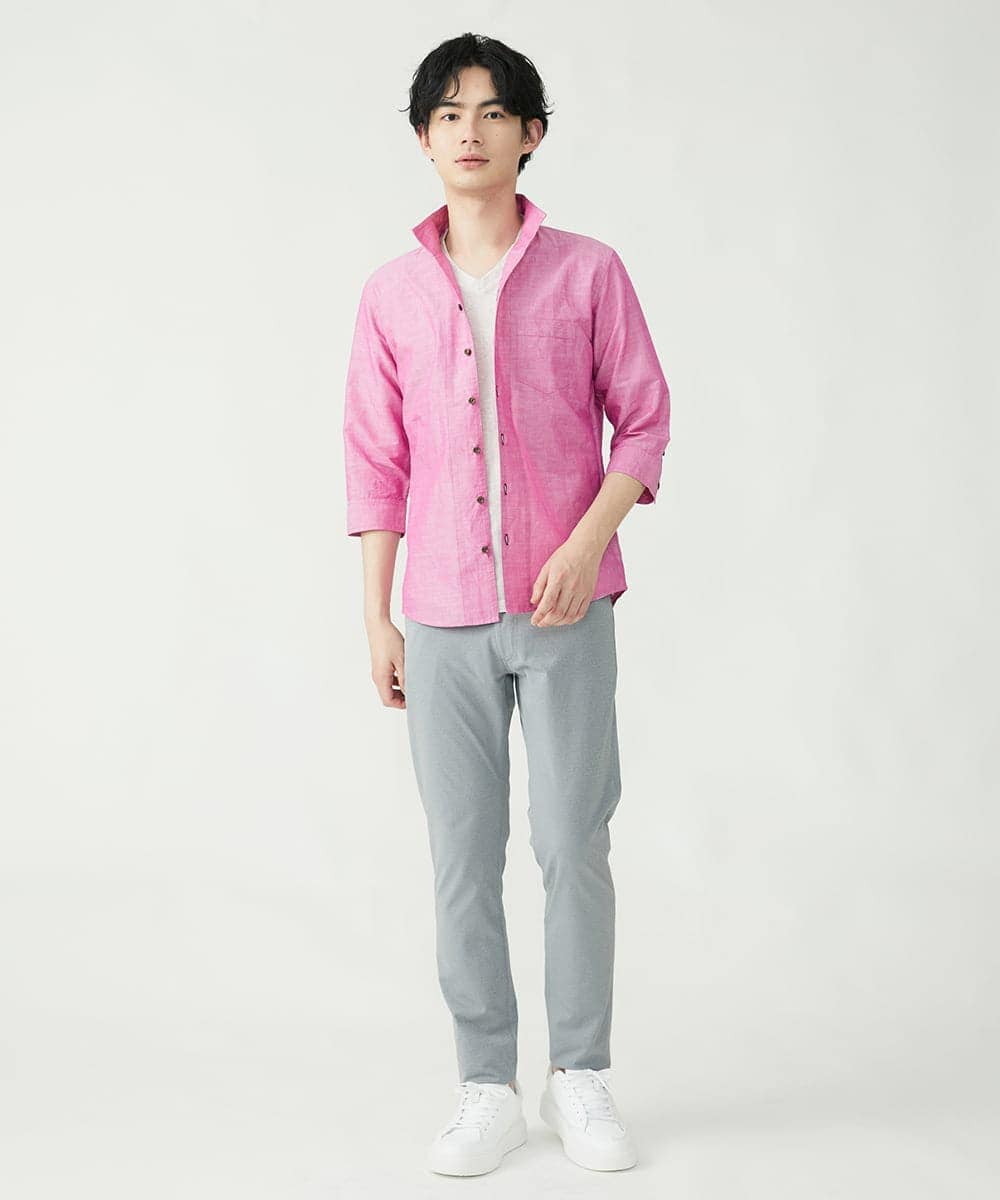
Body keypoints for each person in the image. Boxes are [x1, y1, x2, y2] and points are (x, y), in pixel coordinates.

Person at [342, 32, 671, 1177]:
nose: (468, 132)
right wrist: (377, 615)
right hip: (438, 616)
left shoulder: (588, 273)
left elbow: (644, 421)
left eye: (491, 112)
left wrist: (587, 542)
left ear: (531, 133)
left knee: (574, 842)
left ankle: (579, 1075)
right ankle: (485, 1084)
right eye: (447, 114)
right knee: (461, 856)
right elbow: (374, 462)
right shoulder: (390, 296)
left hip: (568, 610)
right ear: (423, 137)